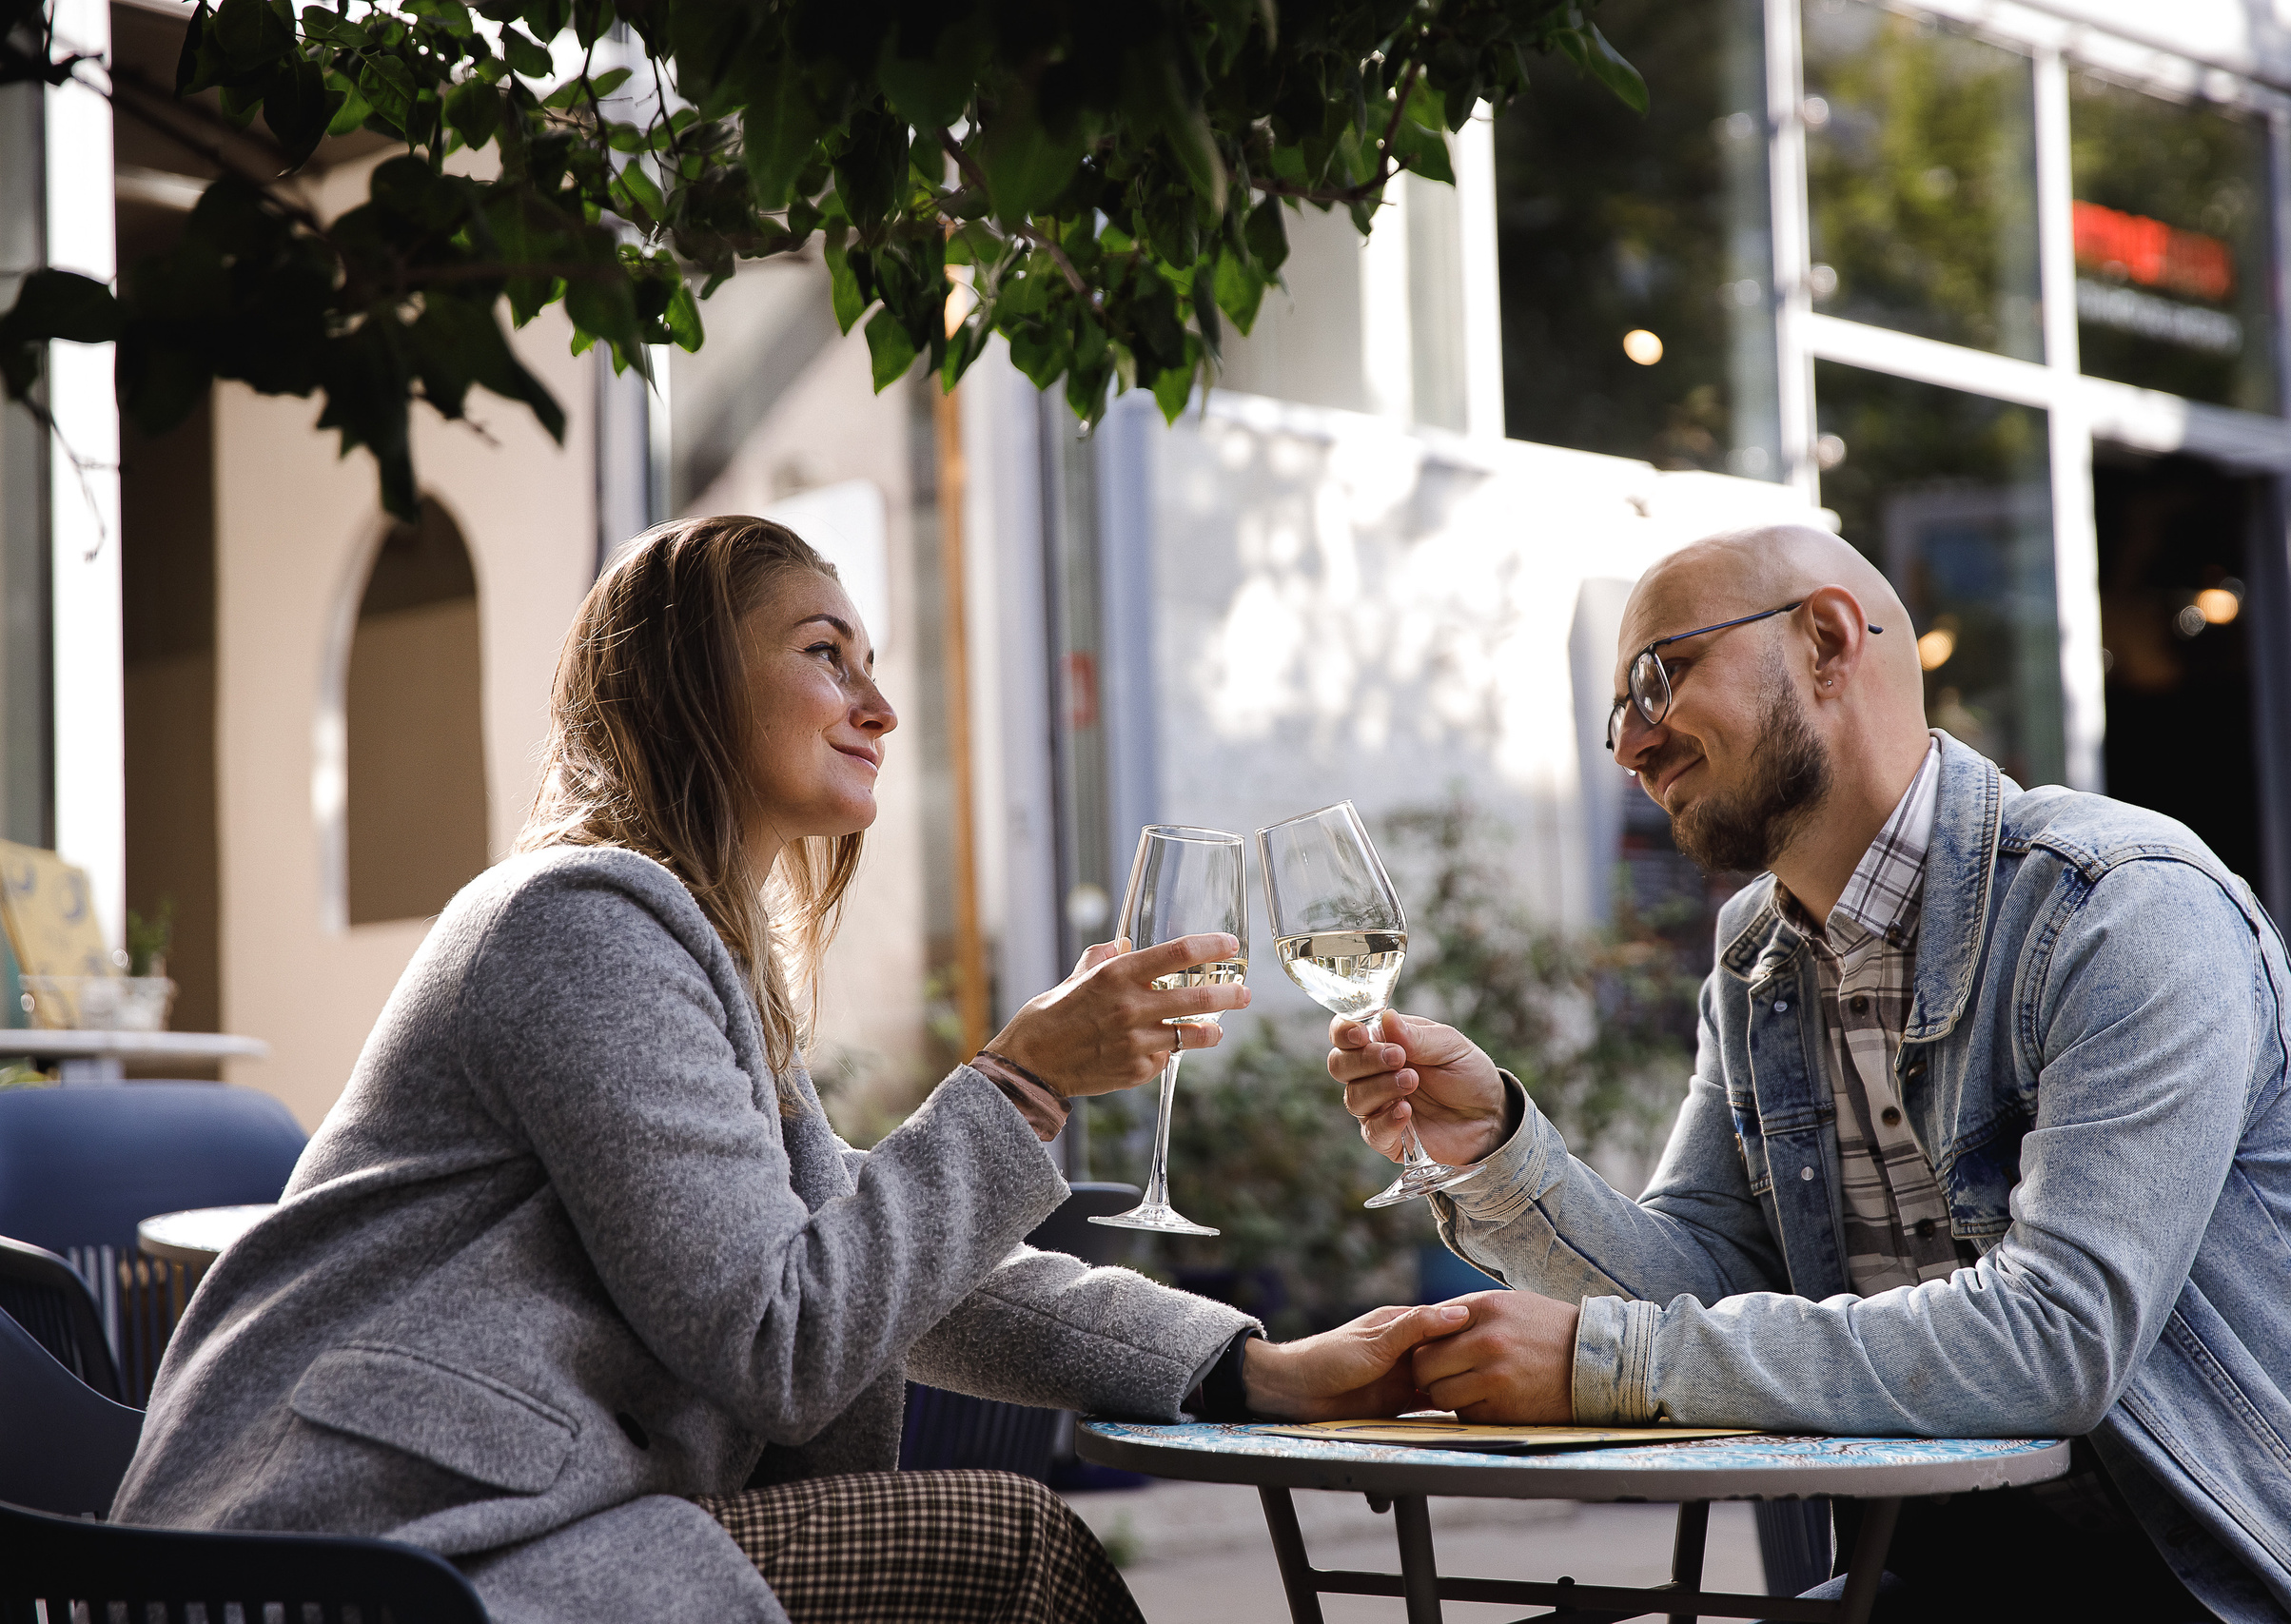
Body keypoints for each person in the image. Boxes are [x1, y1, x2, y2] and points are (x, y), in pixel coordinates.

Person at [116, 516, 1470, 1624]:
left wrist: (1252, 1368)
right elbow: (785, 1337)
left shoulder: (680, 945)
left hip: (474, 1533)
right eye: (827, 654)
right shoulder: (579, 919)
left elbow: (894, 1271)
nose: (879, 703)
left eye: (872, 661)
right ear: (693, 682)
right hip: (355, 1561)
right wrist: (1018, 1080)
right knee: (1005, 1545)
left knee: (1003, 1541)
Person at [1330, 524, 2291, 1624]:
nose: (1630, 744)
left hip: (2276, 1577)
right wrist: (1498, 1158)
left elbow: (2055, 1340)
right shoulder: (1755, 955)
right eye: (1619, 709)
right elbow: (1701, 1283)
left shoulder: (2121, 904)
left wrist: (1606, 1363)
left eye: (1659, 678)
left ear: (1823, 642)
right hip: (1973, 1573)